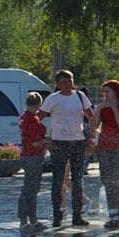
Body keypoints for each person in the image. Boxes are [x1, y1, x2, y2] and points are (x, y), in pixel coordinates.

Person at [38, 70, 94, 228]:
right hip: (59, 143)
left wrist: (91, 138)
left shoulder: (80, 96)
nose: (68, 84)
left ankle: (77, 215)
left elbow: (92, 116)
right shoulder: (53, 99)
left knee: (78, 181)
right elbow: (38, 118)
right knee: (58, 181)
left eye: (70, 80)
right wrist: (44, 138)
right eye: (64, 81)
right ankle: (58, 215)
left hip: (78, 142)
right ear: (58, 84)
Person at [89, 80, 119, 229]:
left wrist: (114, 109)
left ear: (116, 91)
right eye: (104, 92)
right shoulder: (102, 108)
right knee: (108, 182)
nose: (105, 95)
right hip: (104, 148)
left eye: (108, 91)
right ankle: (113, 215)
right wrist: (99, 111)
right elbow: (93, 127)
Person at [18, 92, 49, 235]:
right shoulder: (32, 119)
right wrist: (48, 141)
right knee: (29, 190)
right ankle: (25, 221)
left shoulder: (24, 117)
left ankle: (32, 219)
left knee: (31, 189)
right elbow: (35, 143)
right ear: (39, 104)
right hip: (33, 157)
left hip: (27, 156)